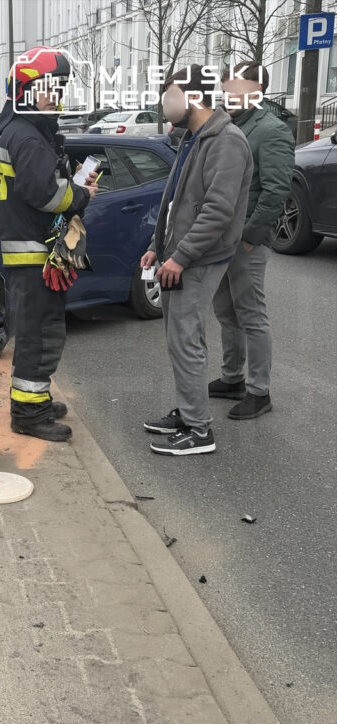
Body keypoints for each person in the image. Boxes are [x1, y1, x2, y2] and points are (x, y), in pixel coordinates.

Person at [141, 65, 253, 455]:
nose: (165, 101)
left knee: (185, 339)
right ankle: (190, 413)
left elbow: (217, 211)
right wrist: (159, 247)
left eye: (170, 92)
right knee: (181, 339)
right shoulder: (194, 137)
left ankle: (199, 432)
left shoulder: (227, 141)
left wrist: (182, 256)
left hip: (201, 259)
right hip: (181, 255)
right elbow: (179, 203)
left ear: (192, 95)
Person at [0, 46, 99, 442]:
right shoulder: (26, 137)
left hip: (38, 255)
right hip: (34, 257)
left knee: (43, 332)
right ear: (24, 91)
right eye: (47, 88)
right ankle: (27, 414)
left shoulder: (26, 133)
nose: (55, 95)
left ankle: (35, 402)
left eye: (58, 88)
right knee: (38, 335)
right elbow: (48, 196)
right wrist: (82, 195)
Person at [211, 62, 294, 419]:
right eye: (226, 86)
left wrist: (250, 237)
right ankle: (233, 378)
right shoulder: (230, 125)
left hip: (245, 239)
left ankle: (260, 392)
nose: (227, 92)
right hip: (220, 237)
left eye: (235, 86)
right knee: (225, 310)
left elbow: (277, 190)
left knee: (251, 313)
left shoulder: (271, 129)